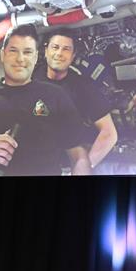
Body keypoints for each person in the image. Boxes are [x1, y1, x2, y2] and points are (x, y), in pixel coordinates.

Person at [0, 24, 91, 176]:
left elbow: (79, 156)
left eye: (27, 52)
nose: (20, 59)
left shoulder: (55, 96)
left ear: (35, 58)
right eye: (13, 51)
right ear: (3, 55)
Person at [36, 29, 117, 168]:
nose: (59, 53)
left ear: (73, 56)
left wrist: (84, 167)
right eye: (55, 47)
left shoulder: (83, 87)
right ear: (46, 51)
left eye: (66, 49)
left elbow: (109, 133)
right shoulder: (28, 78)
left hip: (64, 163)